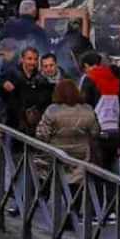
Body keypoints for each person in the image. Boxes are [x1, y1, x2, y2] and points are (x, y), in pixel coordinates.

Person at [36, 79, 97, 211]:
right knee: (75, 182)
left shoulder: (52, 110)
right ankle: (72, 216)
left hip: (56, 153)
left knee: (45, 173)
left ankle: (37, 204)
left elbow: (42, 134)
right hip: (80, 154)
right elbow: (95, 131)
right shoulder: (88, 110)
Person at [79, 48, 120, 173]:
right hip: (114, 130)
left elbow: (85, 105)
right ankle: (117, 192)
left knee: (96, 171)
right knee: (114, 170)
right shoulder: (114, 77)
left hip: (97, 130)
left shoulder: (88, 79)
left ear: (86, 65)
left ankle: (98, 192)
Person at [0, 46, 53, 135]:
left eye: (35, 59)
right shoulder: (12, 72)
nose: (32, 62)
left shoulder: (40, 78)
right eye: (29, 59)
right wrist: (3, 84)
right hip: (10, 121)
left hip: (30, 125)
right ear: (22, 59)